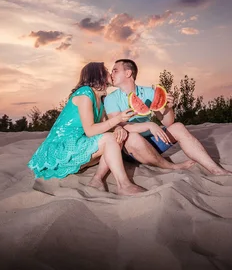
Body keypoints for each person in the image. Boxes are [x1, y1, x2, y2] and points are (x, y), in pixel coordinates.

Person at [97, 59, 232, 180]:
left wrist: (168, 108)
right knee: (133, 137)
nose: (111, 74)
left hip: (152, 144)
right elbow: (120, 126)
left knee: (178, 126)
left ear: (128, 73)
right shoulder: (111, 99)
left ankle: (215, 169)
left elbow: (168, 123)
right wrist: (149, 125)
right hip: (131, 150)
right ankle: (170, 166)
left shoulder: (150, 93)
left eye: (115, 70)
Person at [27, 62, 146, 196]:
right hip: (63, 147)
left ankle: (97, 180)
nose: (110, 73)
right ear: (97, 74)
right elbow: (90, 130)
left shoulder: (100, 98)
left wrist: (117, 127)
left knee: (115, 139)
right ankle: (124, 185)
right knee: (110, 140)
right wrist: (118, 119)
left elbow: (104, 126)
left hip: (79, 145)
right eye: (107, 70)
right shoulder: (85, 93)